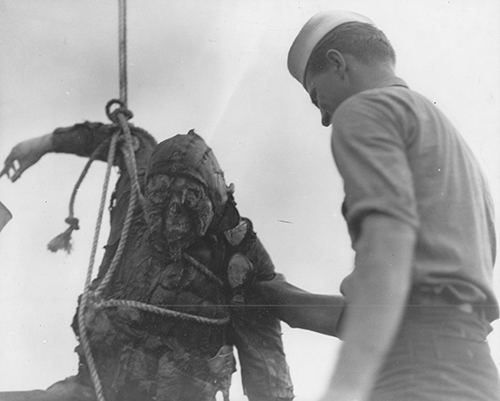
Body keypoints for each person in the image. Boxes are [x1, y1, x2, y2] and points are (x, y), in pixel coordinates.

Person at [285, 10, 500, 401]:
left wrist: (344, 387)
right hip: (474, 372)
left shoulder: (367, 111)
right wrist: (280, 298)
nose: (324, 118)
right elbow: (411, 298)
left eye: (317, 96)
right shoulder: (447, 140)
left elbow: (388, 251)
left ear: (337, 63)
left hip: (413, 372)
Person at [0, 122, 295, 401]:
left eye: (189, 198)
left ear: (213, 202)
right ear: (148, 190)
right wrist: (42, 144)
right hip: (91, 390)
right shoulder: (134, 207)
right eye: (161, 195)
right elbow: (126, 139)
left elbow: (266, 365)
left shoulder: (238, 257)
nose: (173, 211)